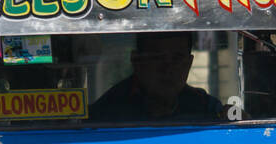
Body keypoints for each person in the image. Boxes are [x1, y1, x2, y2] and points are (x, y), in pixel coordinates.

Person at [91, 31, 223, 121]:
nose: (168, 68)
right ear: (136, 61)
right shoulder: (107, 112)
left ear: (189, 63)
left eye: (177, 58)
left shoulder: (206, 107)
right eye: (157, 57)